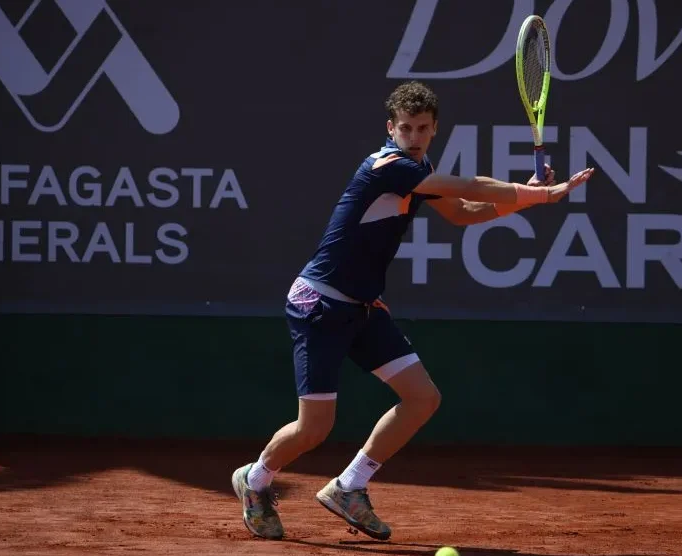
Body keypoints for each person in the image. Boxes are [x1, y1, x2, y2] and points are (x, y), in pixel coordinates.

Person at [231, 80, 595, 541]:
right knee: (315, 428)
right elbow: (470, 185)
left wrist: (523, 196)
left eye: (422, 128)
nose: (414, 136)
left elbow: (463, 211)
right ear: (391, 128)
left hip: (363, 307)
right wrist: (538, 194)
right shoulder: (387, 166)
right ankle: (256, 478)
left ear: (434, 128)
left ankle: (349, 485)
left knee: (423, 398)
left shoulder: (421, 168)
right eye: (406, 128)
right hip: (319, 303)